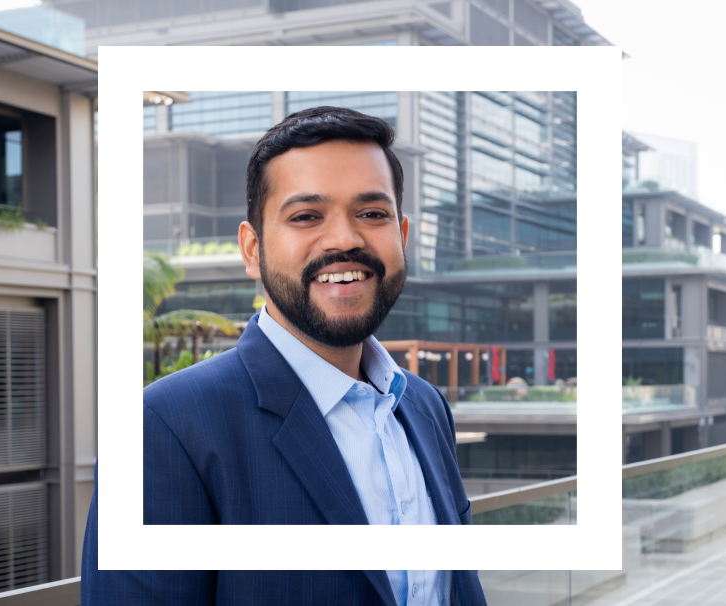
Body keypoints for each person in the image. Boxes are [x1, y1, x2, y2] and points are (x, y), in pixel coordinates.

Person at [81, 106, 486, 606]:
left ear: (401, 238)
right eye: (306, 216)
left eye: (372, 213)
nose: (344, 239)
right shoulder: (160, 428)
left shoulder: (424, 407)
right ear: (253, 250)